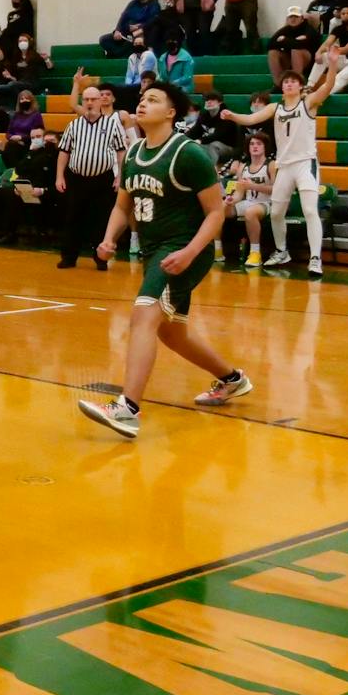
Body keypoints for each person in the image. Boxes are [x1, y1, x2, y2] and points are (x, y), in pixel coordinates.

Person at [76, 82, 252, 440]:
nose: (143, 104)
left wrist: (189, 253)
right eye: (142, 99)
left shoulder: (189, 154)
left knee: (143, 315)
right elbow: (123, 205)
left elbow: (216, 213)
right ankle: (233, 380)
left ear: (171, 113)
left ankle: (127, 408)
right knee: (173, 334)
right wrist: (110, 238)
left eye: (153, 100)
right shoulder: (135, 151)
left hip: (186, 249)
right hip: (156, 250)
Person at [221, 56, 338, 275]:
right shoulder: (276, 107)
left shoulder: (308, 102)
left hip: (305, 164)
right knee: (276, 214)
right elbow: (250, 119)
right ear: (282, 87)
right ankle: (282, 251)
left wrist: (332, 64)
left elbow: (329, 86)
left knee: (310, 210)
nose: (289, 84)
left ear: (300, 85)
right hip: (284, 166)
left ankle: (315, 258)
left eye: (293, 81)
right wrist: (231, 115)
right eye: (286, 82)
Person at [55, 83, 128, 271]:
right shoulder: (73, 125)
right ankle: (69, 257)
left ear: (100, 102)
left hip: (102, 179)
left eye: (93, 99)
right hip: (76, 178)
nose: (89, 103)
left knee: (101, 219)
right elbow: (64, 152)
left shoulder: (113, 124)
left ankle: (100, 258)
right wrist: (59, 177)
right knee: (72, 218)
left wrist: (120, 176)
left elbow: (121, 152)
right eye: (86, 99)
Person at [0, 129, 60, 243]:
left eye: (38, 136)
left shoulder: (55, 157)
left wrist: (42, 190)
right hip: (30, 189)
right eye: (33, 138)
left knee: (15, 199)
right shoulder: (32, 153)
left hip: (46, 192)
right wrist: (30, 153)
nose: (36, 140)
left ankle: (11, 233)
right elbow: (19, 169)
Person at [217, 131, 275, 268]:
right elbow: (239, 193)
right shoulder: (243, 167)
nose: (255, 146)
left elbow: (276, 189)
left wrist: (253, 186)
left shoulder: (271, 165)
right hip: (248, 201)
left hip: (267, 202)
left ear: (265, 147)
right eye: (252, 144)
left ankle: (255, 253)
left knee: (250, 212)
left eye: (259, 144)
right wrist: (231, 200)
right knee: (219, 208)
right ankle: (217, 250)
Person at [309, 4, 348, 94]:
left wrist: (332, 50)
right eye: (343, 14)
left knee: (340, 78)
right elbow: (327, 42)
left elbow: (347, 49)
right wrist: (318, 52)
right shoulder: (339, 28)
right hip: (343, 59)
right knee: (323, 56)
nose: (345, 16)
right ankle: (309, 87)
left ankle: (323, 94)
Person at [99, 0, 163, 58]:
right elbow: (123, 17)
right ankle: (117, 54)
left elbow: (153, 21)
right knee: (103, 39)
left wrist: (139, 27)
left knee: (134, 43)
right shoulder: (132, 4)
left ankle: (114, 55)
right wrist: (117, 30)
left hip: (141, 34)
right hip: (127, 33)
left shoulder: (153, 4)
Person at [266, 7, 320, 85]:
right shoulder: (286, 29)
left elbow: (301, 45)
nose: (293, 19)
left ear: (302, 18)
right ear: (287, 19)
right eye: (291, 17)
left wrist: (285, 40)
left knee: (296, 50)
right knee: (272, 52)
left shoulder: (309, 29)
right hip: (290, 60)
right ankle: (278, 84)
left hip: (310, 61)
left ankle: (297, 82)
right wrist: (293, 41)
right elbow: (270, 44)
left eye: (296, 17)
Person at [110, 27, 157, 110]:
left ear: (145, 45)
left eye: (140, 43)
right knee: (119, 89)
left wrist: (130, 87)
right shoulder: (132, 57)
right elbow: (129, 75)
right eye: (135, 43)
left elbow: (143, 75)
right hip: (134, 85)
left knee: (123, 90)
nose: (137, 45)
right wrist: (128, 85)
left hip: (146, 83)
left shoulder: (148, 55)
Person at [187, 92, 240, 166]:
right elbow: (194, 132)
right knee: (190, 146)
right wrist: (183, 139)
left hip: (228, 148)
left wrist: (200, 140)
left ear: (220, 102)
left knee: (213, 145)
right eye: (207, 100)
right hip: (208, 144)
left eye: (212, 100)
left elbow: (217, 135)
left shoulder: (227, 116)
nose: (208, 102)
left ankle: (211, 171)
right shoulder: (203, 116)